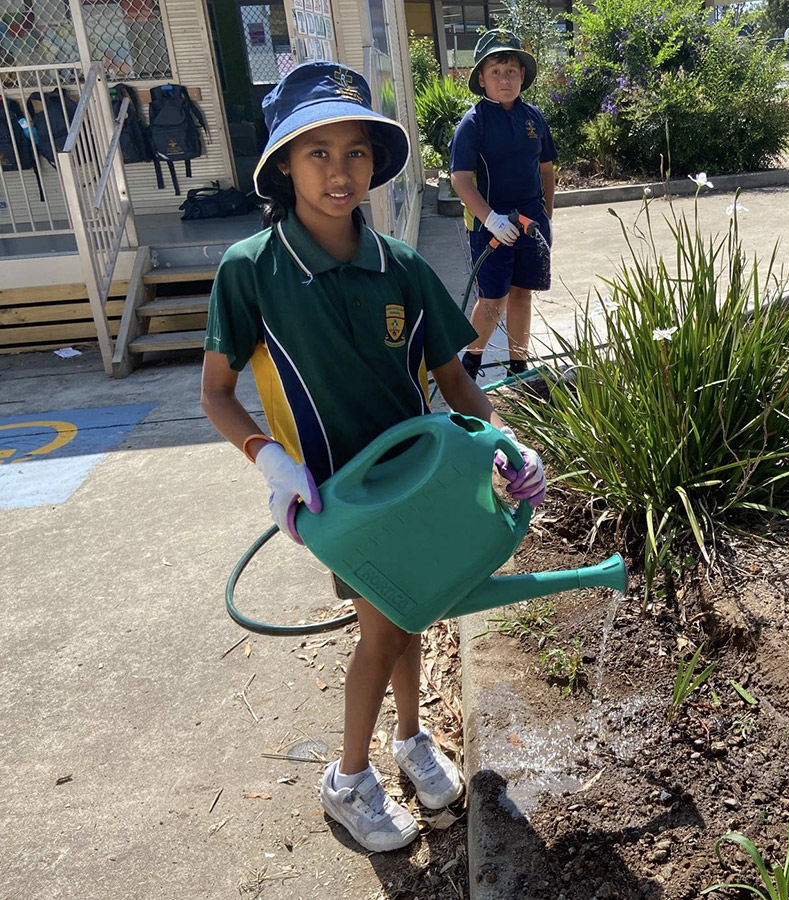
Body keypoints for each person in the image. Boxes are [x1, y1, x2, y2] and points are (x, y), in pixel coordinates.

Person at [199, 61, 547, 854]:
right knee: (385, 629)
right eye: (317, 153)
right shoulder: (252, 270)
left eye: (356, 152)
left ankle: (411, 738)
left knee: (410, 613)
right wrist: (270, 462)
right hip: (339, 501)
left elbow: (455, 379)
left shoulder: (401, 266)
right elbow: (216, 393)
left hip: (419, 485)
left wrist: (505, 441)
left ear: (374, 162)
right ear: (283, 166)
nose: (339, 171)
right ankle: (348, 778)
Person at [449, 28, 557, 381]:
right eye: (495, 72)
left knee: (522, 293)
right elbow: (461, 180)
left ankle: (518, 365)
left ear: (522, 75)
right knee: (493, 299)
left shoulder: (533, 117)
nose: (504, 79)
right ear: (481, 78)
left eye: (511, 71)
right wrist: (491, 219)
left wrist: (546, 216)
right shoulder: (473, 124)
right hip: (491, 226)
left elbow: (546, 170)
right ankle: (471, 364)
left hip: (531, 222)